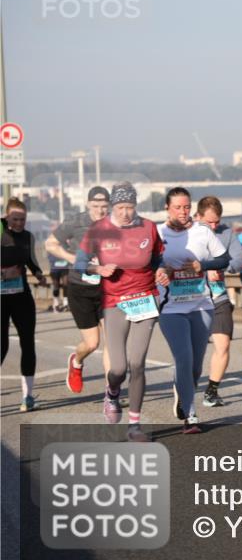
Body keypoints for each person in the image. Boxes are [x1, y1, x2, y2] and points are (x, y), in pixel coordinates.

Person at [77, 182, 167, 442]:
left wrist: (161, 270)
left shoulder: (148, 227)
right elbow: (81, 263)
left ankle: (134, 427)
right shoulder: (99, 229)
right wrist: (98, 270)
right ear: (113, 207)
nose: (126, 212)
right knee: (118, 367)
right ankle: (113, 392)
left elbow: (157, 258)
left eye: (130, 207)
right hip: (115, 300)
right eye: (120, 207)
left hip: (145, 298)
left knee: (137, 363)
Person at [157, 188, 230, 433]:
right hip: (171, 308)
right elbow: (145, 262)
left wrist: (203, 264)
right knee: (183, 358)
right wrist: (161, 270)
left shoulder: (202, 231)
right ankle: (190, 415)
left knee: (196, 367)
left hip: (201, 304)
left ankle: (182, 390)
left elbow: (223, 259)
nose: (183, 211)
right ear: (167, 208)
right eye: (177, 207)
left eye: (187, 206)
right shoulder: (158, 233)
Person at [46, 186, 112, 394]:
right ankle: (76, 361)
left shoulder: (114, 224)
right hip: (80, 289)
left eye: (104, 206)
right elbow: (50, 244)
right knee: (92, 343)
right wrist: (73, 258)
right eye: (95, 206)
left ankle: (112, 391)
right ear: (87, 204)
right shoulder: (75, 222)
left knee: (113, 340)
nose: (100, 211)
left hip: (106, 289)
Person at [195, 195, 242, 407]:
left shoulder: (226, 233)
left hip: (218, 297)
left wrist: (221, 268)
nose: (213, 226)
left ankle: (212, 390)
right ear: (198, 216)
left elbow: (241, 259)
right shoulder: (186, 234)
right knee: (192, 353)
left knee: (223, 345)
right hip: (192, 300)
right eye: (209, 222)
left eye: (217, 221)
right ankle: (185, 386)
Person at [1, 198, 48, 411]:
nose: (19, 223)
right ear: (6, 215)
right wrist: (2, 273)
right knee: (2, 346)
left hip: (21, 296)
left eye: (23, 219)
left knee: (27, 343)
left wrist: (38, 274)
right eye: (15, 219)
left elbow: (30, 261)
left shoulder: (28, 237)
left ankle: (27, 397)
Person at [47, 246, 69, 313]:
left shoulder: (66, 246)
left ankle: (66, 303)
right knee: (56, 286)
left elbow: (69, 256)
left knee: (66, 283)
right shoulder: (52, 245)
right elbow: (50, 258)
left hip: (65, 268)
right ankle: (56, 303)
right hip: (55, 269)